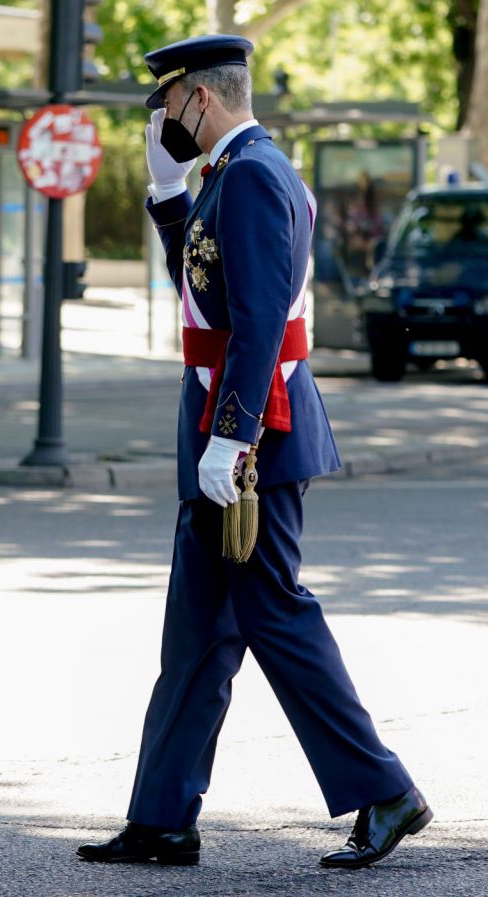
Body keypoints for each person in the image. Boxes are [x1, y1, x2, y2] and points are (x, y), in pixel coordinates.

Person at [77, 35, 430, 870]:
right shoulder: (233, 174)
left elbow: (261, 320)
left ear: (200, 97)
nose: (161, 119)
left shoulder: (255, 176)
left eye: (167, 103)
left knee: (273, 611)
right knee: (196, 633)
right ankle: (162, 818)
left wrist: (232, 434)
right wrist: (168, 196)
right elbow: (201, 288)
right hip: (227, 424)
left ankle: (387, 789)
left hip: (251, 435)